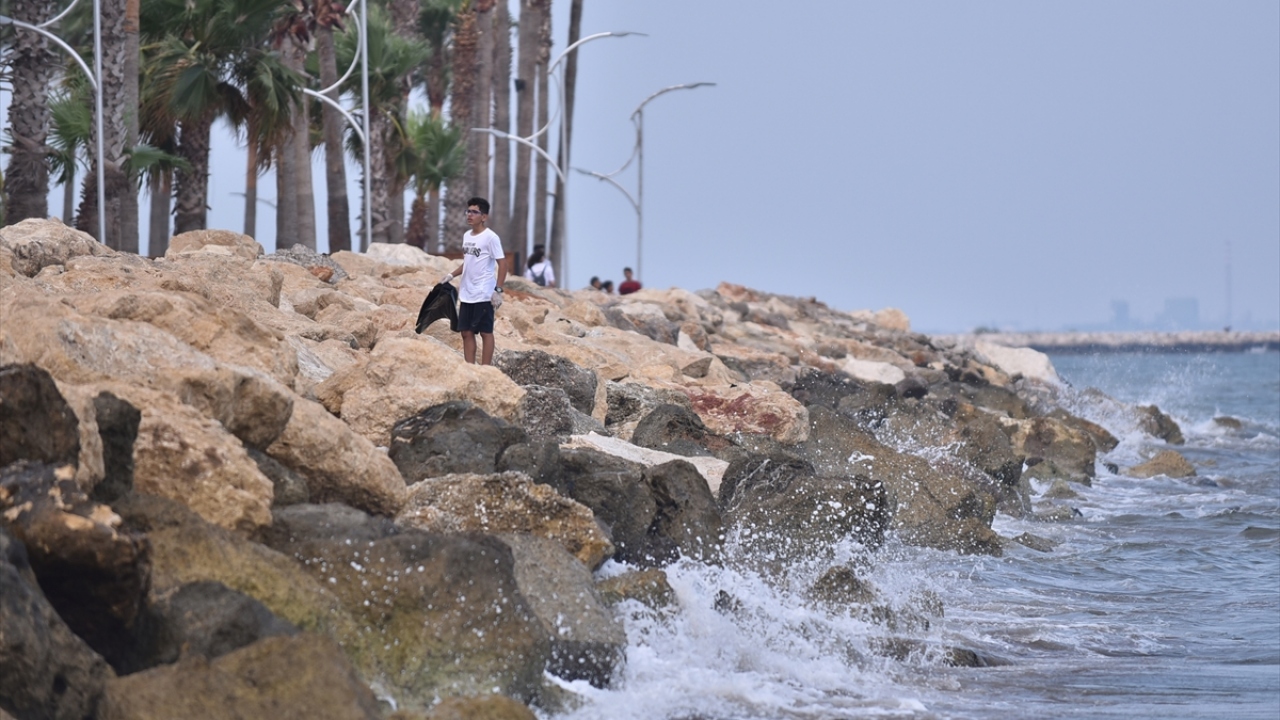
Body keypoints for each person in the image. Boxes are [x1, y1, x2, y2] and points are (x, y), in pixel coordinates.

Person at [440, 197, 506, 365]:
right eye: (468, 211)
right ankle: (470, 368)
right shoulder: (466, 236)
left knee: (485, 332)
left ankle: (485, 369)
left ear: (484, 217)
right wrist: (451, 275)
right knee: (466, 332)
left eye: (474, 212)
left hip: (483, 292)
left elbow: (502, 264)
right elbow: (468, 262)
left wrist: (498, 290)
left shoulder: (491, 238)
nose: (469, 215)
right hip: (467, 292)